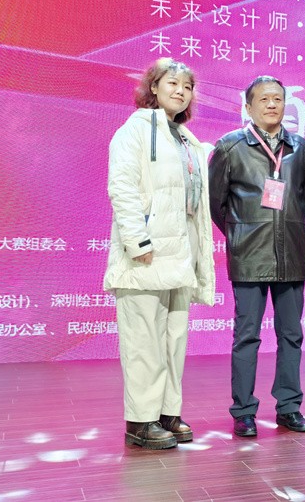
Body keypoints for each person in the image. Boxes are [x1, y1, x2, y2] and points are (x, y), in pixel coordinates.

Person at [104, 58, 216, 449]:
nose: (181, 91)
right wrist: (138, 242)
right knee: (143, 341)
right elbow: (122, 188)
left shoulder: (186, 139)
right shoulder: (134, 130)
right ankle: (140, 420)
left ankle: (167, 412)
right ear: (153, 87)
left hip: (180, 254)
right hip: (147, 254)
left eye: (187, 86)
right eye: (172, 83)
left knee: (173, 340)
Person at [209, 76, 305, 438]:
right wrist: (243, 233)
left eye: (278, 99)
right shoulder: (230, 146)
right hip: (249, 255)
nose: (272, 105)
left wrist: (287, 229)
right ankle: (243, 411)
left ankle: (289, 407)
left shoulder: (301, 149)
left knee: (291, 335)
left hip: (292, 254)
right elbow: (217, 204)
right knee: (247, 336)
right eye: (264, 99)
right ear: (249, 107)